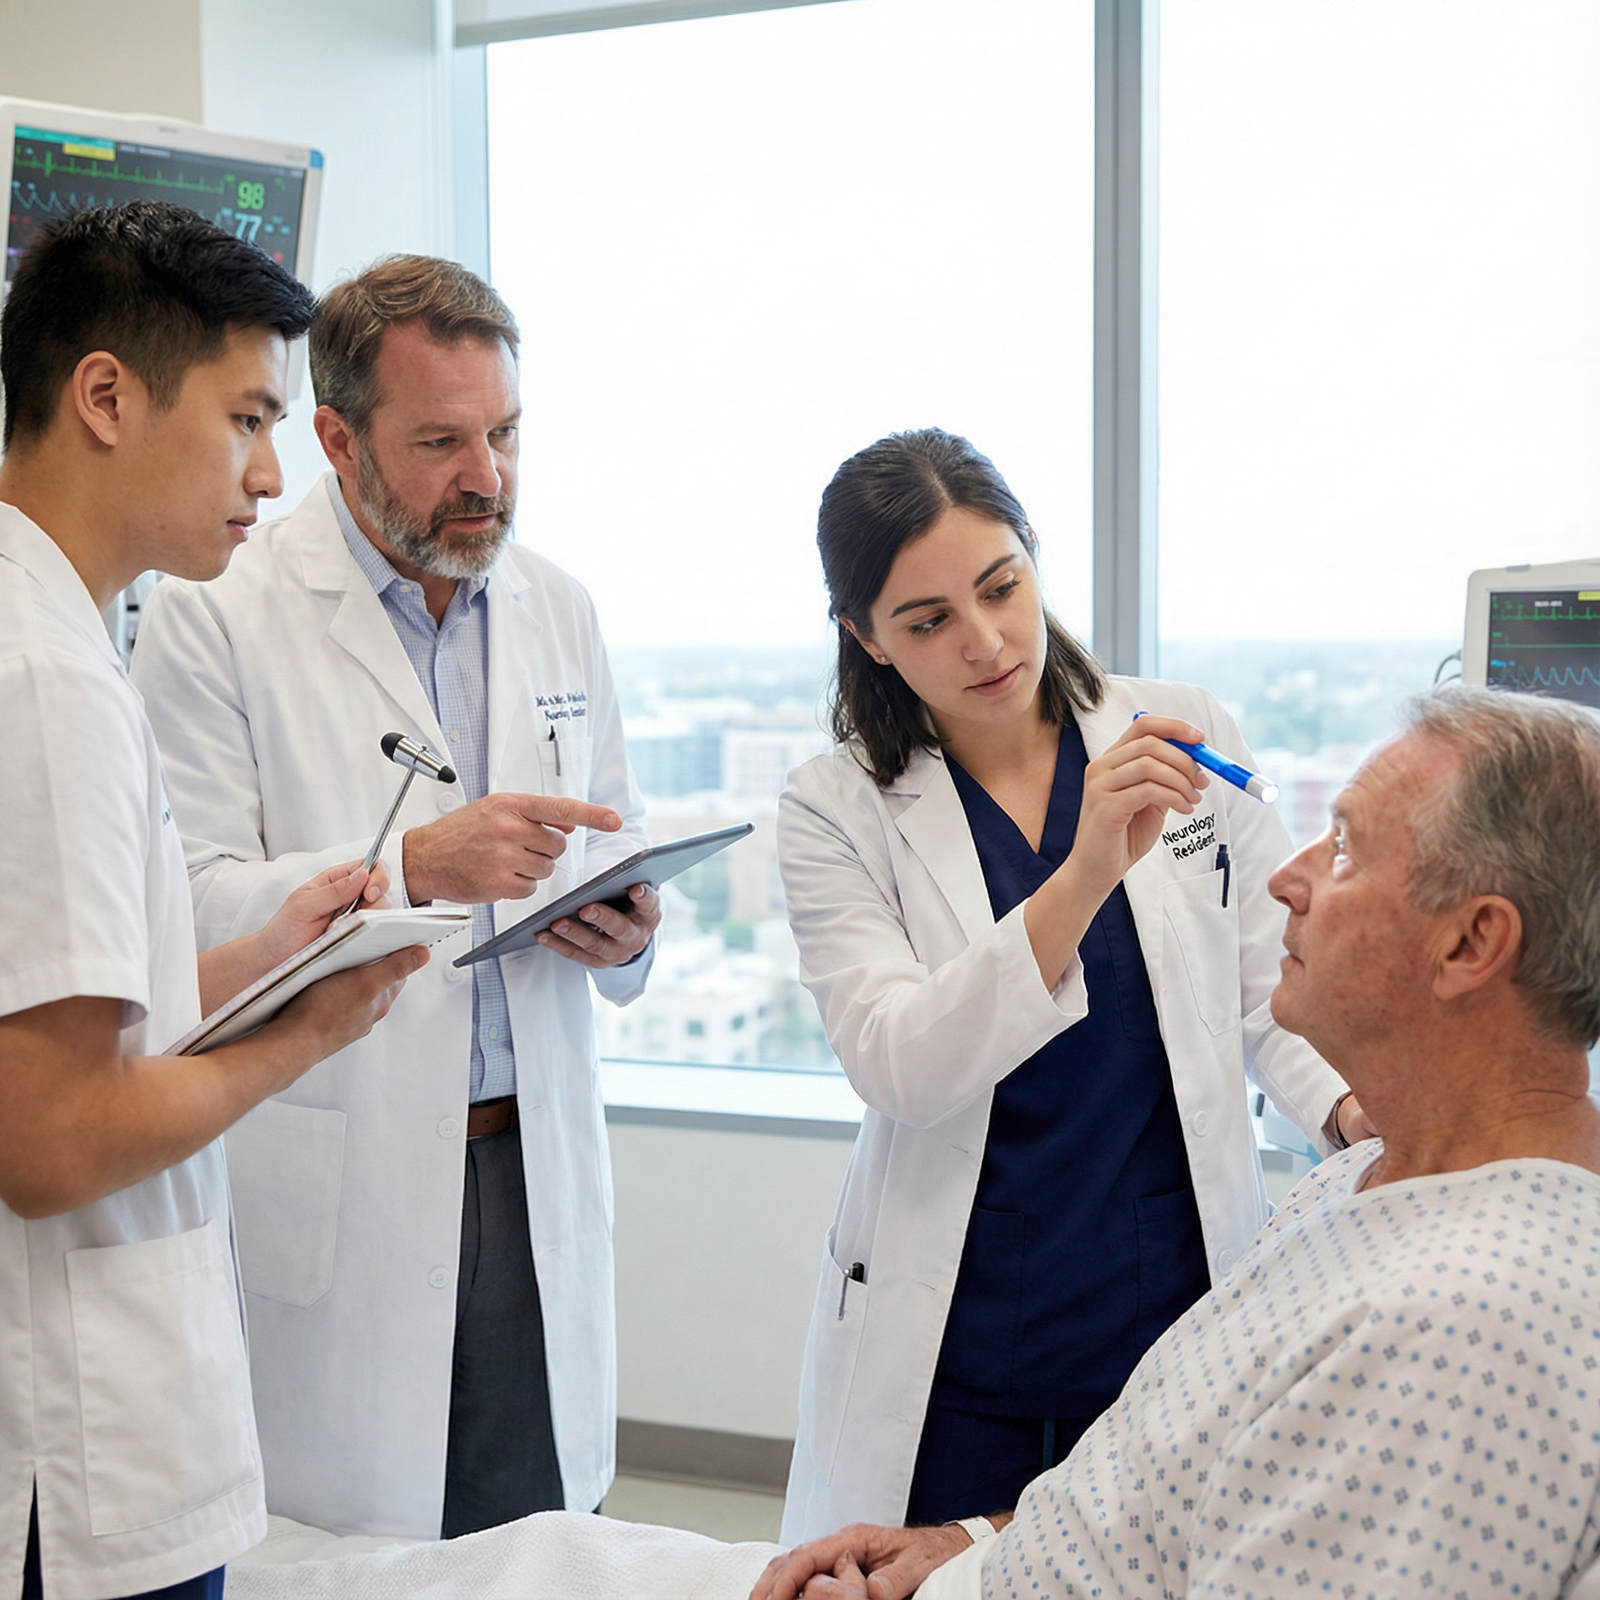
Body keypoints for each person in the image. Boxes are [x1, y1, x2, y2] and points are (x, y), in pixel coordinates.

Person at [754, 683, 1600, 1600]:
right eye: (927, 619)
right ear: (867, 638)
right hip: (980, 1461)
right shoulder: (1353, 1190)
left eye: (1345, 847)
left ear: (1473, 943)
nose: (1284, 881)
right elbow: (1167, 1487)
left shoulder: (1459, 1330)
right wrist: (968, 1546)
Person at [130, 254, 661, 1541]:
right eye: (439, 442)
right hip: (339, 1164)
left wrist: (624, 926)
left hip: (528, 1160)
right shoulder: (213, 609)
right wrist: (419, 865)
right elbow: (182, 909)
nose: (486, 476)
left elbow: (614, 844)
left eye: (505, 433)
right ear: (335, 440)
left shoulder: (558, 609)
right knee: (354, 1550)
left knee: (542, 1538)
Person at [776, 429, 1369, 1542]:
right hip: (955, 1337)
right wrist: (1087, 869)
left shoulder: (1182, 730)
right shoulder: (835, 806)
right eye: (927, 619)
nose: (988, 640)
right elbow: (897, 1059)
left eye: (1002, 586)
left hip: (1169, 1306)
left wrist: (1346, 1107)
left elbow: (1261, 997)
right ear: (865, 635)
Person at [0, 203, 424, 1600]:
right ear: (106, 396)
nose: (269, 469)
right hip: (84, 1460)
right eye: (247, 417)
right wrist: (310, 1034)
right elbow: (54, 1138)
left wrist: (260, 959)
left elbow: (65, 1012)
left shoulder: (48, 632)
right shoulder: (50, 680)